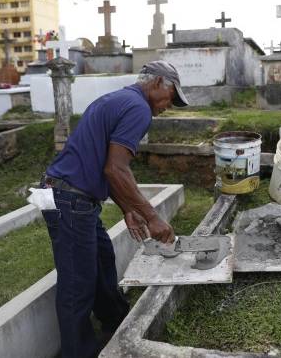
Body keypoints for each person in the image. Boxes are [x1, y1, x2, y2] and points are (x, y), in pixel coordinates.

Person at [40, 61, 188, 357]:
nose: (169, 105)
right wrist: (152, 217)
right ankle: (78, 352)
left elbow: (108, 166)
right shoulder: (139, 109)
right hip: (69, 200)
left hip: (77, 199)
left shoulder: (120, 99)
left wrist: (127, 208)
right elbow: (115, 169)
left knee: (103, 260)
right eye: (171, 97)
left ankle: (116, 323)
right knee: (77, 285)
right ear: (158, 82)